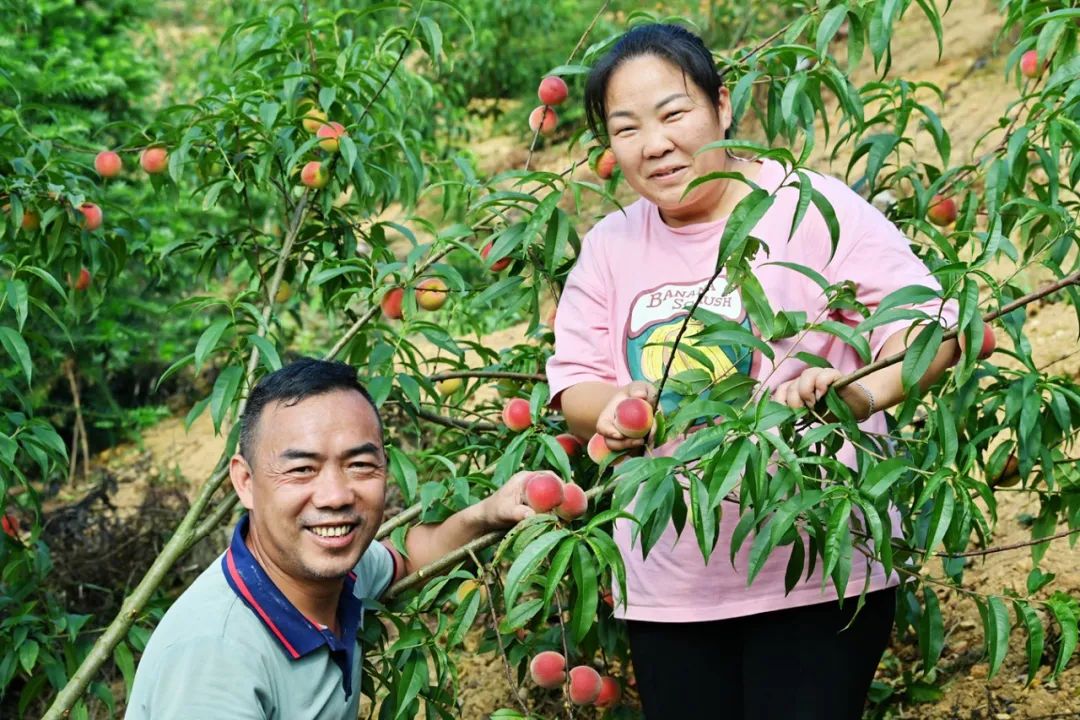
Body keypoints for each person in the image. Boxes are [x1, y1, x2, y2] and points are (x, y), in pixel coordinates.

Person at [546, 23, 960, 720]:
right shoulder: (610, 246)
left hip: (821, 573)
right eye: (626, 129)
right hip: (671, 591)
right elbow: (574, 384)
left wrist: (860, 394)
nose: (654, 144)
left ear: (723, 105)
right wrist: (616, 406)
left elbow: (932, 329)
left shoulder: (809, 208)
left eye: (674, 114)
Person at [126, 357, 533, 719]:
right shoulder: (215, 661)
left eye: (359, 464)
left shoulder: (337, 572)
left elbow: (409, 558)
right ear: (245, 482)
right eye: (302, 469)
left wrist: (487, 513)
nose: (336, 496)